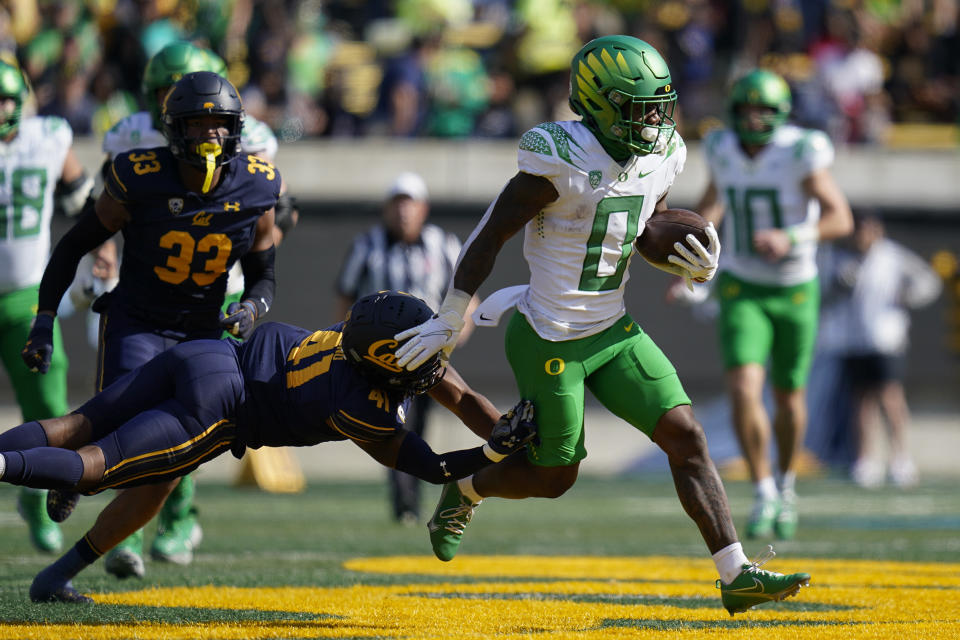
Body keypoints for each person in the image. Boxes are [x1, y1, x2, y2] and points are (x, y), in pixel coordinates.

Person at [392, 36, 811, 616]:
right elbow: (492, 232)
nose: (653, 121)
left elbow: (645, 227)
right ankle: (464, 489)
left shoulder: (663, 153)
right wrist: (451, 310)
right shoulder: (560, 157)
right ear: (600, 102)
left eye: (658, 106)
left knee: (686, 437)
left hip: (613, 330)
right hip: (549, 336)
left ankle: (735, 574)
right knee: (554, 476)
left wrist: (693, 256)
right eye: (639, 107)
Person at [0, 290, 537, 603]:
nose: (430, 362)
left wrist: (501, 431)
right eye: (417, 354)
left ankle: (55, 576)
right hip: (224, 407)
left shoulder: (359, 341)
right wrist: (495, 452)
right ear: (384, 361)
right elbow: (433, 465)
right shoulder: (357, 404)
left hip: (207, 355)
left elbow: (461, 394)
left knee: (82, 428)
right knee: (94, 468)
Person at [20, 70, 279, 581]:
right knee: (111, 424)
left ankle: (84, 557)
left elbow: (264, 276)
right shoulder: (137, 175)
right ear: (174, 129)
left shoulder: (258, 182)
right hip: (138, 319)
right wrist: (44, 318)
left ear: (236, 129)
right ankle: (68, 473)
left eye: (219, 124)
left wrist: (251, 310)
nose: (210, 135)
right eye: (199, 124)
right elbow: (74, 243)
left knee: (167, 456)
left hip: (204, 332)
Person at [96, 41, 298, 578]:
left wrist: (274, 232)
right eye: (170, 93)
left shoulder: (250, 140)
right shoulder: (132, 140)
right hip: (153, 286)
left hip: (220, 290)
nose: (194, 113)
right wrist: (104, 252)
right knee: (135, 408)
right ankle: (129, 527)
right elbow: (108, 211)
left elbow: (270, 221)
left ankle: (178, 517)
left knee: (189, 413)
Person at [686, 69, 853, 541]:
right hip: (742, 283)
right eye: (747, 109)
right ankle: (762, 489)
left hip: (795, 286)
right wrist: (691, 262)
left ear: (781, 114)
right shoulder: (720, 148)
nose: (755, 118)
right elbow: (711, 207)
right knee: (742, 385)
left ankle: (785, 483)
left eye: (764, 110)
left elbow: (841, 217)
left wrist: (792, 236)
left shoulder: (801, 150)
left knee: (788, 397)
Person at [335, 171, 476, 525]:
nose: (403, 212)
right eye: (397, 203)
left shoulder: (443, 244)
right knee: (396, 427)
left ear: (423, 208)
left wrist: (460, 333)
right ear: (386, 209)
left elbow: (467, 295)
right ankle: (406, 504)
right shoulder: (367, 246)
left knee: (421, 426)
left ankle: (412, 499)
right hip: (383, 357)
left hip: (430, 356)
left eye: (409, 203)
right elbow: (346, 295)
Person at [0, 59, 96, 555]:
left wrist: (103, 247)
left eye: (4, 100)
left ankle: (37, 505)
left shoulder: (48, 138)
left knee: (48, 404)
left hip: (23, 295)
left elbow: (84, 198)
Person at [819, 212, 941, 488]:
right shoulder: (841, 259)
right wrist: (840, 285)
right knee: (861, 402)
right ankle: (866, 460)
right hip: (853, 340)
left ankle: (901, 459)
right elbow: (824, 297)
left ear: (878, 231)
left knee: (890, 397)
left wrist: (907, 295)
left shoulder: (894, 257)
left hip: (886, 338)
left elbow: (928, 281)